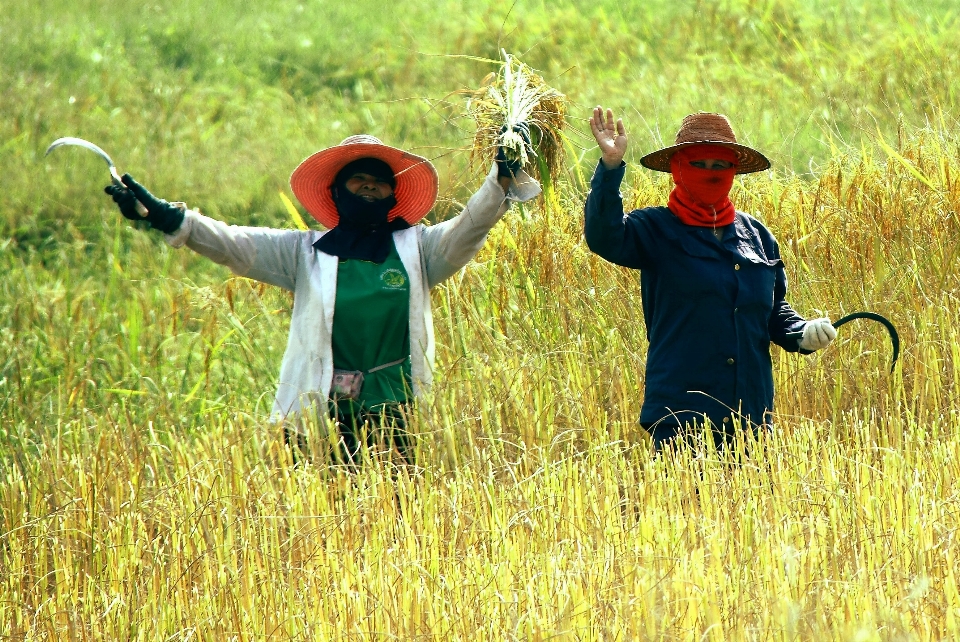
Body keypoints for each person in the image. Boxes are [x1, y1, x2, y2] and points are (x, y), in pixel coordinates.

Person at [105, 132, 540, 465]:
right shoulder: (304, 253)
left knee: (398, 521)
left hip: (398, 411)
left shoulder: (419, 250)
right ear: (336, 192)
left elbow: (469, 227)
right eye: (359, 181)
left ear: (393, 196)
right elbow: (232, 244)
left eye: (379, 183)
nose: (370, 188)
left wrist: (499, 178)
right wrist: (167, 217)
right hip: (319, 415)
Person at [584, 107, 836, 451]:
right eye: (699, 164)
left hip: (751, 420)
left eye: (720, 166)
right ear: (677, 169)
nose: (710, 173)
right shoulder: (654, 229)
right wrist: (611, 167)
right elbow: (604, 237)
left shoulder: (756, 235)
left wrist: (802, 333)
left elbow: (774, 311)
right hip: (682, 420)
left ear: (733, 171)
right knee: (687, 505)